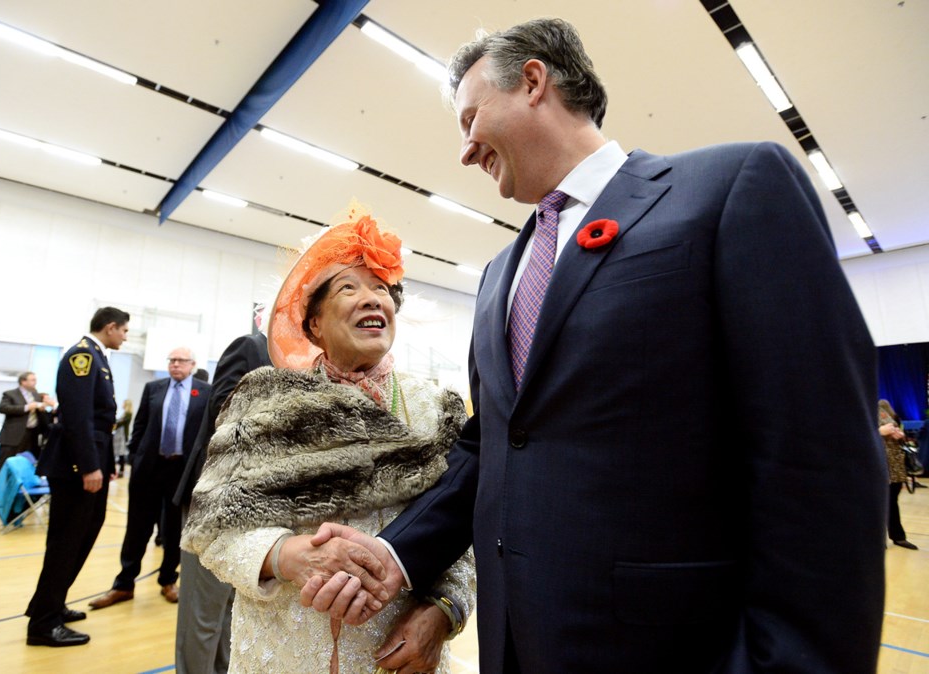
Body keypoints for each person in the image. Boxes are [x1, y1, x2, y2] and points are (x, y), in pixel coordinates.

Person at [302, 18, 887, 673]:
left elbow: (817, 454)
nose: (465, 150)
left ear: (532, 81)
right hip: (515, 645)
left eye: (470, 119)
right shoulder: (499, 277)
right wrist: (397, 551)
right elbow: (491, 445)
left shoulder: (728, 189)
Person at [182, 212, 475, 674]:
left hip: (393, 655)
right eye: (348, 288)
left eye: (381, 288)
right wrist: (285, 556)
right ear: (314, 323)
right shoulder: (263, 401)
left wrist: (442, 611)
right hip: (282, 651)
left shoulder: (436, 408)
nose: (372, 299)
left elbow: (464, 531)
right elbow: (213, 531)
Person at [26, 306, 130, 647]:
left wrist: (105, 462)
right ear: (111, 327)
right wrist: (88, 466)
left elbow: (99, 423)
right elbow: (78, 417)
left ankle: (50, 604)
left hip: (90, 456)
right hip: (75, 465)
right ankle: (43, 624)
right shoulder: (82, 357)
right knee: (66, 541)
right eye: (124, 330)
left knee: (84, 532)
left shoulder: (97, 357)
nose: (125, 336)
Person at [173, 330, 271, 674]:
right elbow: (224, 413)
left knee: (233, 608)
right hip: (218, 498)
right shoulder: (252, 346)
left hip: (259, 506)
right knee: (203, 612)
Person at [90, 347, 210, 610]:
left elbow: (206, 434)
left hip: (182, 473)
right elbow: (140, 425)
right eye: (171, 360)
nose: (175, 364)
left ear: (192, 364)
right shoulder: (153, 388)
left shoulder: (205, 392)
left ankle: (168, 580)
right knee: (137, 528)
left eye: (180, 361)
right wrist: (134, 456)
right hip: (149, 468)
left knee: (173, 531)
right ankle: (124, 584)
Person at [0, 371, 56, 507]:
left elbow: (43, 420)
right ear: (23, 381)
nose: (34, 382)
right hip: (12, 437)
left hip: (32, 437)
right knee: (2, 468)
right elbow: (3, 408)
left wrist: (46, 409)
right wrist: (27, 407)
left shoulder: (37, 395)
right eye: (32, 380)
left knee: (27, 469)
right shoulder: (10, 394)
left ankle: (20, 502)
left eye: (35, 380)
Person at [878, 399, 918, 550]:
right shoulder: (866, 413)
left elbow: (900, 436)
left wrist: (900, 435)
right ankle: (877, 538)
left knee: (892, 501)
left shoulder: (893, 417)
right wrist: (880, 432)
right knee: (878, 504)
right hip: (879, 465)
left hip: (894, 465)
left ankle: (898, 536)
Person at [113, 398, 132, 478]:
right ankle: (119, 471)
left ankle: (121, 471)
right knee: (120, 454)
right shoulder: (125, 414)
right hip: (119, 435)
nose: (122, 404)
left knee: (121, 454)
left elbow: (119, 423)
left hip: (122, 436)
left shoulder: (128, 414)